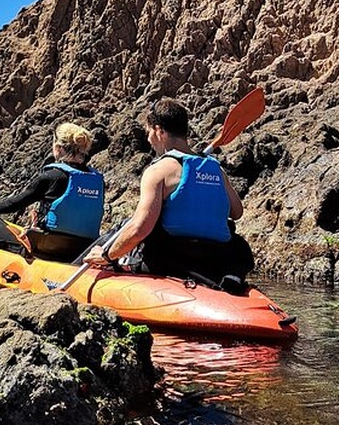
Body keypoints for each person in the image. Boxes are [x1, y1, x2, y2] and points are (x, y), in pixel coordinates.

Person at [83, 98, 254, 291]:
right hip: (217, 262)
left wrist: (107, 255)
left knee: (125, 228)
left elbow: (139, 229)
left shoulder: (159, 171)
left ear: (159, 130)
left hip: (172, 261)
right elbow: (237, 212)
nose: (148, 139)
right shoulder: (216, 169)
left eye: (149, 132)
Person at [0, 122, 105, 262]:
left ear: (58, 148)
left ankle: (17, 253)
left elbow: (19, 201)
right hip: (83, 250)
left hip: (46, 248)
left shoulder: (52, 176)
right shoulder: (98, 181)